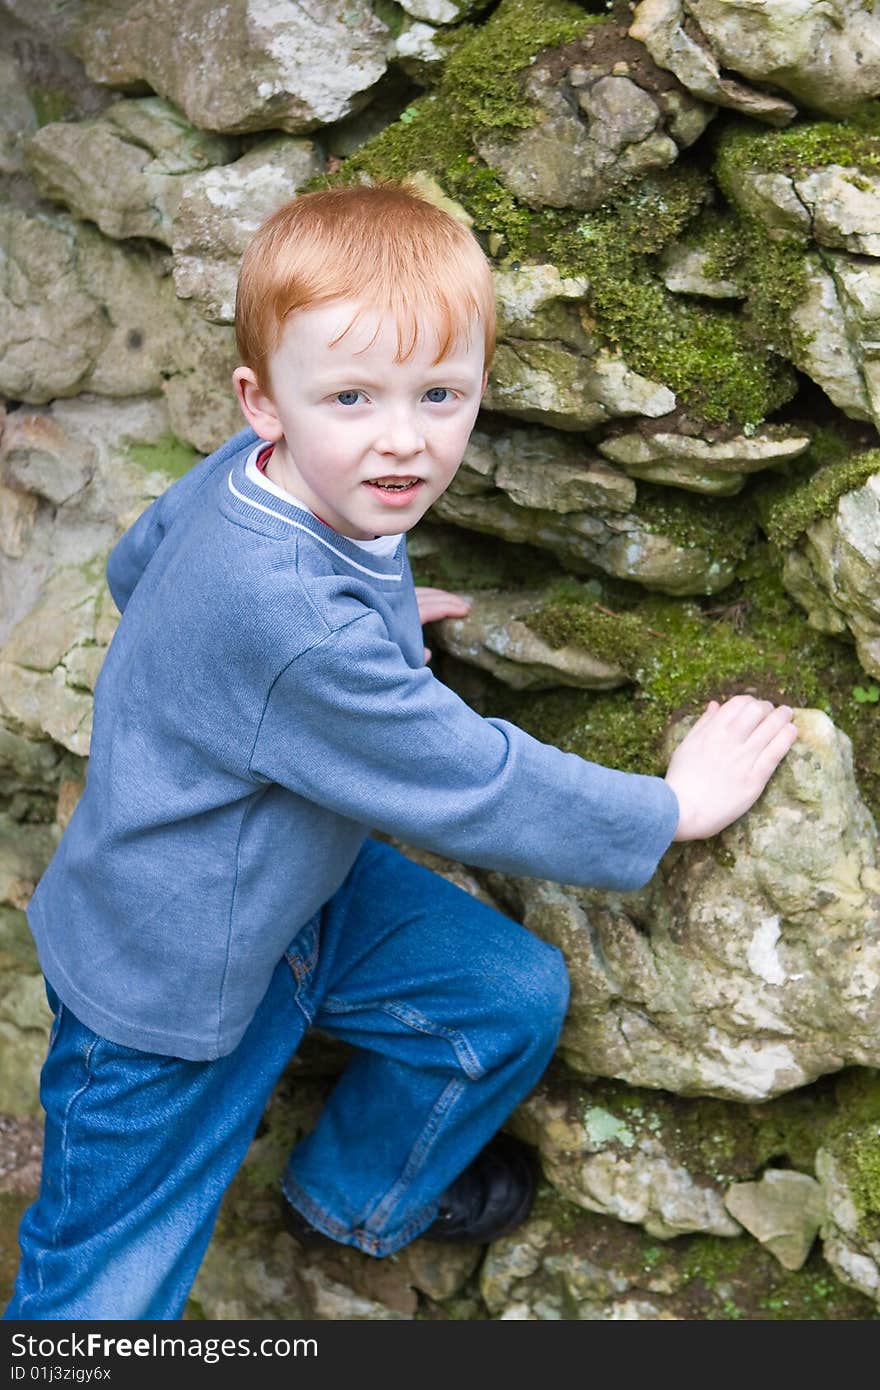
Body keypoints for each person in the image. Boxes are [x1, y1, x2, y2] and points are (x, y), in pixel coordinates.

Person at [3, 180, 798, 1320]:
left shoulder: (262, 479)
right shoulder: (289, 618)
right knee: (100, 1294)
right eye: (353, 396)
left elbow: (142, 562)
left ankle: (350, 1203)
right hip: (164, 984)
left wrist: (351, 638)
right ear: (261, 400)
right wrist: (667, 809)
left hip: (296, 890)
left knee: (506, 999)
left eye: (440, 393)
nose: (403, 437)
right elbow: (466, 778)